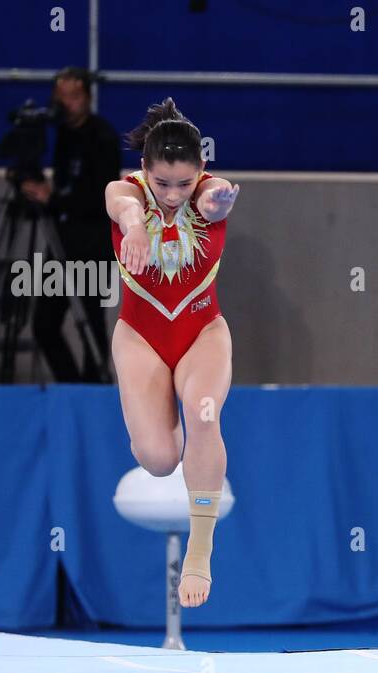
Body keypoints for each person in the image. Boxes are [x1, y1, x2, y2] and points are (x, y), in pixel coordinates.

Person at [105, 98, 241, 608]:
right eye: (162, 184)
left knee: (204, 415)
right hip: (140, 336)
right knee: (159, 460)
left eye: (183, 183)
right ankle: (176, 430)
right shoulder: (124, 190)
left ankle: (200, 552)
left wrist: (217, 201)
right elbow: (122, 206)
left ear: (200, 170)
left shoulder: (208, 192)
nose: (172, 194)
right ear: (145, 169)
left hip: (202, 330)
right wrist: (136, 226)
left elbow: (213, 204)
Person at [20, 66, 123, 382]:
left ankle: (92, 393)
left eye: (74, 97)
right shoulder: (64, 133)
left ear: (87, 99)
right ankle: (71, 388)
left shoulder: (102, 137)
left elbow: (98, 196)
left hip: (93, 244)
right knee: (45, 324)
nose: (67, 104)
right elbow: (65, 185)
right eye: (60, 97)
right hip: (63, 240)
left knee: (91, 323)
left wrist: (53, 200)